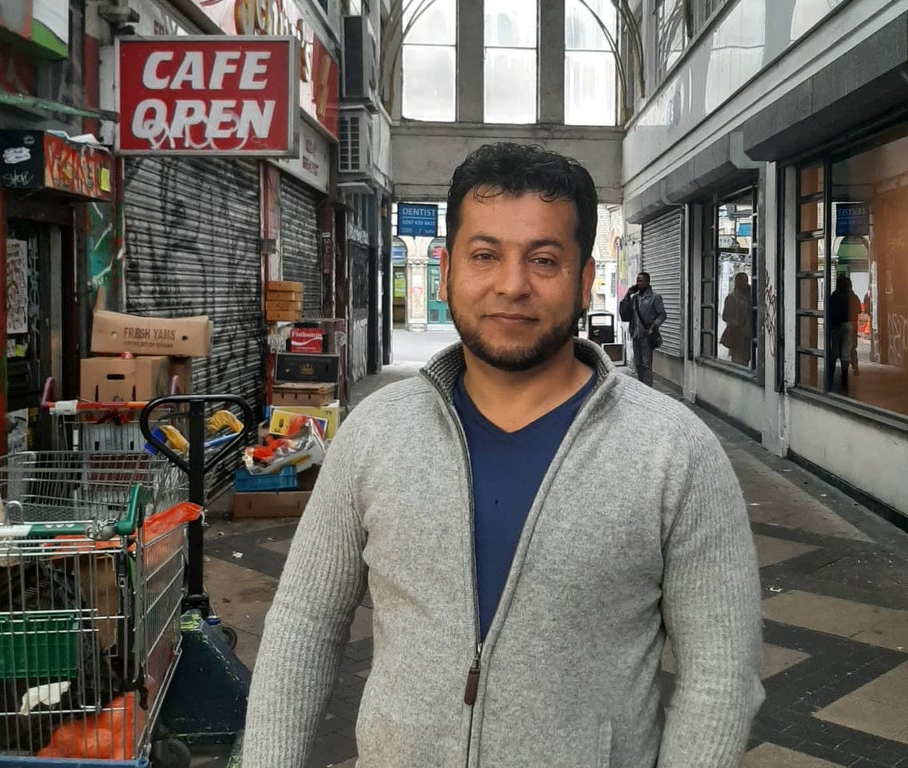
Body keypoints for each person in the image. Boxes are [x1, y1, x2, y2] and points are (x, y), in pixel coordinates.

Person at [243, 143, 763, 768]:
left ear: (584, 281)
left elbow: (721, 675)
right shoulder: (374, 434)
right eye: (485, 255)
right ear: (446, 273)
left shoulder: (675, 452)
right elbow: (304, 624)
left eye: (543, 260)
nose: (512, 285)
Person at [618, 271, 667, 386]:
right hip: (635, 335)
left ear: (648, 282)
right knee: (638, 364)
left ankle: (648, 389)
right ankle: (641, 387)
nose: (638, 283)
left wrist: (654, 325)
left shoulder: (655, 297)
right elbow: (624, 314)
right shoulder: (634, 298)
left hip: (647, 336)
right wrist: (627, 295)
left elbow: (662, 315)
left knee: (646, 364)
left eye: (641, 281)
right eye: (637, 281)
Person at [827, 274, 861, 389]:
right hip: (849, 325)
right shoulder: (852, 296)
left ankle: (830, 377)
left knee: (834, 351)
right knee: (846, 351)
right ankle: (845, 378)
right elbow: (858, 310)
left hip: (836, 326)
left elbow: (829, 310)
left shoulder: (834, 295)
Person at [720, 272, 751, 366]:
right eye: (743, 280)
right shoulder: (731, 298)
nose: (745, 283)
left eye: (746, 280)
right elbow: (725, 316)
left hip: (747, 335)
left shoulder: (750, 297)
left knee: (745, 360)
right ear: (737, 282)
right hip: (737, 335)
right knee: (738, 361)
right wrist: (734, 321)